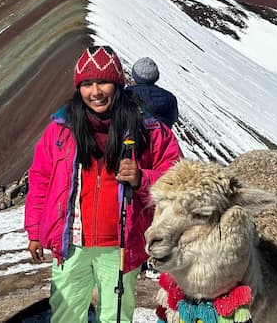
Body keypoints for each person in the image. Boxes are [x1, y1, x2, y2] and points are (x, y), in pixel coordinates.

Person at [24, 46, 182, 323]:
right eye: (87, 84)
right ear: (78, 88)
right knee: (66, 315)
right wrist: (35, 230)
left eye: (103, 82)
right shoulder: (60, 129)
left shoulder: (148, 129)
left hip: (120, 244)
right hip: (71, 243)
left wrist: (142, 178)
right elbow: (40, 179)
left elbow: (178, 178)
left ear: (118, 84)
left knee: (115, 316)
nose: (95, 91)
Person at [127, 57, 179, 128]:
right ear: (156, 77)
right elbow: (172, 119)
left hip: (131, 137)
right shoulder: (170, 98)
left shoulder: (127, 94)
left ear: (134, 76)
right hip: (160, 137)